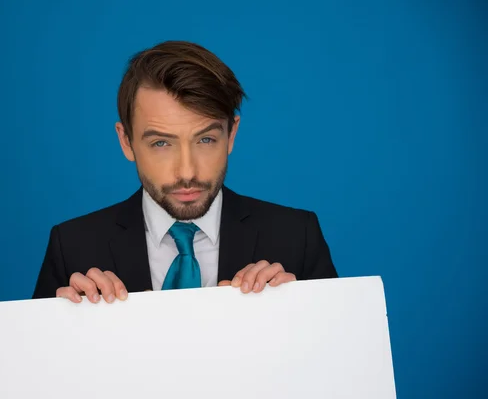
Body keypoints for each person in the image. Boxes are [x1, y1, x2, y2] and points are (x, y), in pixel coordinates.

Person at [32, 40, 338, 304]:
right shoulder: (72, 248)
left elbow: (340, 361)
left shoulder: (298, 238)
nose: (187, 171)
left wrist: (301, 313)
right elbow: (38, 368)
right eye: (161, 143)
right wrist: (62, 326)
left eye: (205, 139)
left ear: (231, 135)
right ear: (126, 142)